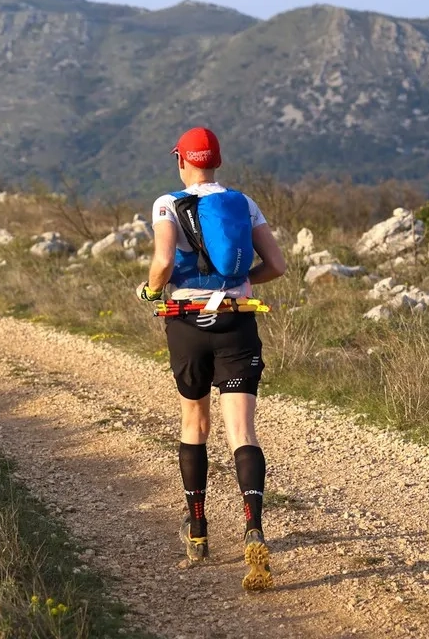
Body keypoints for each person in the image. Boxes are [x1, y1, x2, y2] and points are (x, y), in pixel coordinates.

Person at [137, 126, 286, 591]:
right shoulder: (244, 203)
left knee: (194, 423)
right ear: (217, 161)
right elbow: (277, 266)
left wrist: (150, 291)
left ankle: (198, 530)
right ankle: (253, 528)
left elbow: (163, 262)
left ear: (181, 160)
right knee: (242, 431)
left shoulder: (167, 203)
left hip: (186, 323)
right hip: (236, 320)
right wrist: (240, 284)